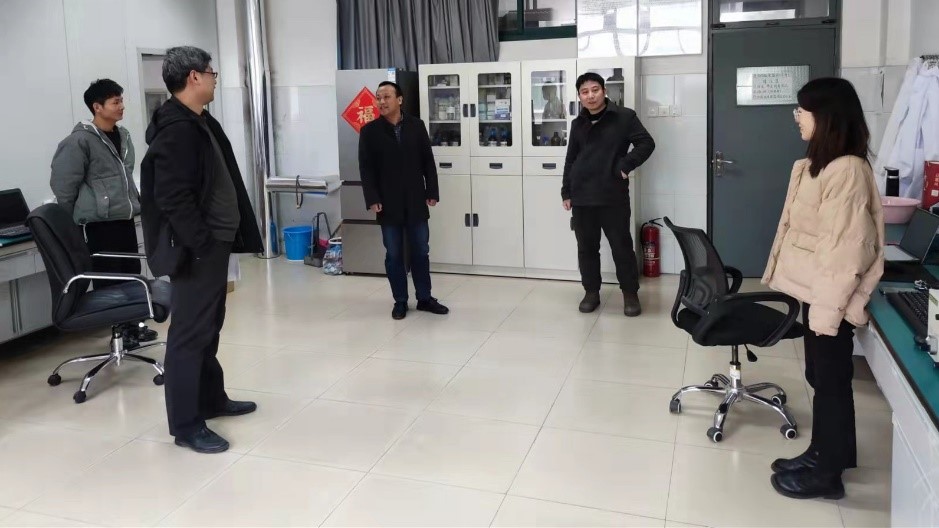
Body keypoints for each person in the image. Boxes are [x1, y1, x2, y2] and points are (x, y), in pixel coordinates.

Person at [762, 77, 884, 500]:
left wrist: (827, 316)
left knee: (831, 383)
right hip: (814, 293)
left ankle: (827, 475)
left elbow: (843, 253)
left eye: (803, 110)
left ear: (826, 116)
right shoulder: (820, 165)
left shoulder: (846, 170)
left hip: (828, 298)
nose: (797, 117)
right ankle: (823, 453)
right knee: (821, 378)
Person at [140, 46, 263, 454]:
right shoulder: (176, 130)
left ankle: (211, 398)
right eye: (211, 72)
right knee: (189, 335)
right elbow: (173, 198)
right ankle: (186, 425)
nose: (214, 79)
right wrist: (202, 245)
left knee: (209, 327)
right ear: (194, 77)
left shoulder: (199, 121)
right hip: (196, 250)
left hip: (212, 245)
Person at [50, 79, 157, 349]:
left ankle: (133, 325)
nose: (121, 106)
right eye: (115, 102)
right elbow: (64, 187)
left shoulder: (123, 136)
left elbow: (125, 177)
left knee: (131, 273)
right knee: (109, 279)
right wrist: (70, 227)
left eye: (121, 100)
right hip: (98, 224)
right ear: (97, 107)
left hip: (124, 219)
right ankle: (119, 331)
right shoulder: (79, 141)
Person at [561, 72, 655, 316]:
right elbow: (571, 160)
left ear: (604, 91)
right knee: (587, 248)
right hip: (582, 196)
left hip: (612, 195)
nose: (590, 96)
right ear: (579, 96)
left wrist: (624, 166)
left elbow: (646, 143)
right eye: (584, 92)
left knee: (621, 247)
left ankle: (630, 293)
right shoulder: (578, 123)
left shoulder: (624, 116)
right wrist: (566, 191)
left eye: (595, 90)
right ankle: (591, 292)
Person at [358, 81, 449, 320]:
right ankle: (400, 301)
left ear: (399, 100)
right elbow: (366, 169)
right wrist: (372, 198)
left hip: (415, 199)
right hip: (387, 203)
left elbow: (428, 161)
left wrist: (432, 191)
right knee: (394, 254)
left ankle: (424, 298)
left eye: (386, 96)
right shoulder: (369, 131)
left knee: (421, 250)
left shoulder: (416, 126)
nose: (381, 101)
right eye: (378, 97)